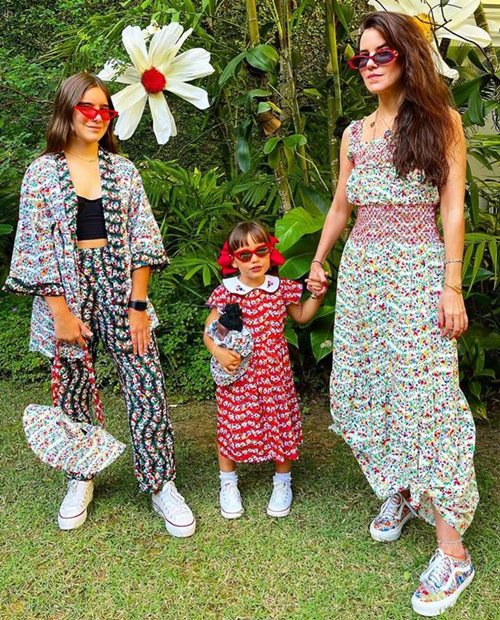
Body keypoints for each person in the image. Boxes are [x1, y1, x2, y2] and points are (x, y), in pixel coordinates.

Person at [307, 12, 478, 617]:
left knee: (425, 397)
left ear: (408, 56)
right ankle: (400, 490)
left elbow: (453, 211)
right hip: (360, 280)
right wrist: (321, 261)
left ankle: (452, 551)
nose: (371, 63)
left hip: (416, 276)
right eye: (362, 56)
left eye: (384, 53)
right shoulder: (354, 134)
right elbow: (338, 207)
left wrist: (451, 286)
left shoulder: (440, 122)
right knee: (371, 387)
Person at [4, 72, 196, 538]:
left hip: (120, 282)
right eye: (86, 108)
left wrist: (137, 304)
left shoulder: (123, 171)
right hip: (65, 290)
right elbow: (34, 246)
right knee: (72, 385)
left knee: (145, 379)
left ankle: (160, 481)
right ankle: (80, 475)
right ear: (67, 111)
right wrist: (60, 312)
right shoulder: (42, 172)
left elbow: (145, 241)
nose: (96, 116)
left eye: (104, 110)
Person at [204, 221, 325, 520]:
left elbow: (303, 316)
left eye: (260, 251)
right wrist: (218, 351)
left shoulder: (280, 288)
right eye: (244, 255)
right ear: (232, 261)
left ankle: (282, 481)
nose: (254, 259)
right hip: (238, 375)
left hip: (275, 375)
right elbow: (209, 332)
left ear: (270, 253)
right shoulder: (226, 293)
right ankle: (228, 482)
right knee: (232, 423)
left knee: (279, 422)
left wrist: (317, 296)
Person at [205, 303, 253, 386]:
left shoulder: (237, 340)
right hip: (228, 375)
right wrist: (216, 350)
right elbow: (207, 334)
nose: (218, 335)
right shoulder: (223, 293)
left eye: (221, 333)